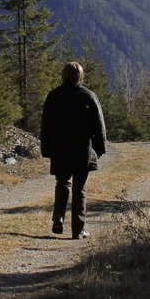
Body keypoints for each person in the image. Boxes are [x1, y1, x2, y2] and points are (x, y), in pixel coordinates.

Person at [39, 61, 107, 239]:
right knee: (80, 189)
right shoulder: (88, 96)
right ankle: (78, 229)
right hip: (82, 150)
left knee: (62, 183)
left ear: (63, 75)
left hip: (60, 149)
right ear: (80, 77)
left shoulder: (53, 96)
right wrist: (100, 147)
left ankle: (59, 216)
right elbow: (99, 126)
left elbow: (45, 125)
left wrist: (46, 149)